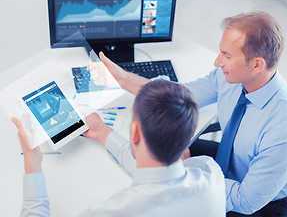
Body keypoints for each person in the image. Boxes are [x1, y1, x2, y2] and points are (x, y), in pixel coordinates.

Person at [89, 11, 287, 216]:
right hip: (229, 162)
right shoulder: (231, 78)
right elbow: (177, 96)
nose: (217, 62)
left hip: (258, 206)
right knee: (157, 150)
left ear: (256, 65)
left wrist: (183, 174)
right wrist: (123, 79)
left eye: (226, 55)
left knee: (162, 173)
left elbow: (245, 200)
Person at [12, 79, 226, 217]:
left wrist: (32, 161)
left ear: (134, 133)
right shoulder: (210, 172)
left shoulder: (113, 211)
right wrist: (101, 131)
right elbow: (159, 173)